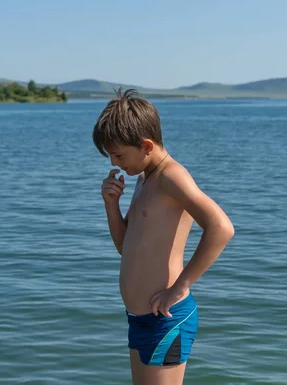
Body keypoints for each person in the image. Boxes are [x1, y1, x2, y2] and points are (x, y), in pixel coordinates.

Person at [92, 88, 234, 385]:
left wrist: (180, 287)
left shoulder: (171, 176)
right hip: (139, 319)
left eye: (118, 154)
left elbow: (221, 228)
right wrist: (111, 205)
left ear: (145, 145)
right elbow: (125, 247)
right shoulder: (145, 179)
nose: (114, 163)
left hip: (165, 319)